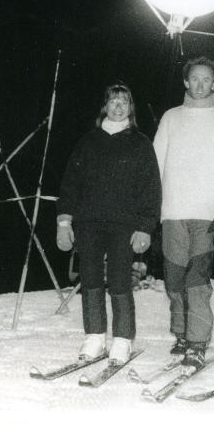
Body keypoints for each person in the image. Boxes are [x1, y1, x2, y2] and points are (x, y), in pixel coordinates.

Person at [56, 82, 161, 365]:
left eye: (124, 101)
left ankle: (123, 340)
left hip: (124, 226)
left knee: (119, 280)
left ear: (130, 108)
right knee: (89, 279)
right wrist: (64, 221)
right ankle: (94, 337)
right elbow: (71, 184)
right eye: (113, 100)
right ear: (105, 106)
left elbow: (151, 189)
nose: (118, 106)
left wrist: (145, 227)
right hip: (88, 223)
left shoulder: (140, 144)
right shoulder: (88, 142)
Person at [152, 56, 214, 371]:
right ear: (186, 82)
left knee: (197, 280)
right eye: (195, 78)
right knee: (174, 279)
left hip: (207, 214)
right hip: (173, 211)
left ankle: (197, 342)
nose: (201, 84)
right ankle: (181, 333)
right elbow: (155, 164)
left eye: (207, 79)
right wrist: (150, 207)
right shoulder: (171, 118)